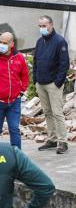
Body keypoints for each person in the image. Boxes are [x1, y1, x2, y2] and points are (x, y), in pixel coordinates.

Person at [34, 15, 70, 154]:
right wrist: (35, 80)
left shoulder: (60, 41)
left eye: (44, 26)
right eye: (40, 26)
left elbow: (64, 63)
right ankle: (52, 139)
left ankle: (63, 141)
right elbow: (36, 60)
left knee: (57, 113)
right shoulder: (39, 41)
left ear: (51, 25)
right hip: (41, 83)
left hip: (53, 84)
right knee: (48, 113)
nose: (42, 28)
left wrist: (58, 82)